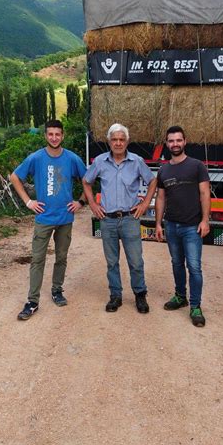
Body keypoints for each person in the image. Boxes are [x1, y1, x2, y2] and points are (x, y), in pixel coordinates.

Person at [10, 120, 87, 321]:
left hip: (65, 218)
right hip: (43, 218)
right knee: (37, 259)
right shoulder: (36, 158)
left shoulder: (72, 159)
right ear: (46, 135)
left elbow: (88, 180)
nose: (54, 138)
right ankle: (32, 301)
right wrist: (28, 202)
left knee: (61, 257)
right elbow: (14, 177)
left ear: (63, 135)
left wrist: (80, 202)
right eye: (50, 134)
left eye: (58, 134)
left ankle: (57, 290)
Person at [82, 123, 157, 313]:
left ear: (127, 141)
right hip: (107, 220)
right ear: (109, 141)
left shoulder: (137, 161)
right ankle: (115, 296)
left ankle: (140, 295)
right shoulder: (100, 162)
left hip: (130, 219)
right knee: (112, 262)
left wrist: (145, 203)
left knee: (136, 261)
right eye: (114, 139)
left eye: (121, 139)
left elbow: (153, 180)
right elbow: (86, 181)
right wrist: (92, 204)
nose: (118, 143)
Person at [155, 125, 210, 327]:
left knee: (194, 267)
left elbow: (205, 194)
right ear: (167, 143)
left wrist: (205, 220)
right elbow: (160, 198)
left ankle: (195, 306)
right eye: (171, 141)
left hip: (192, 226)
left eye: (178, 140)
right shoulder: (163, 169)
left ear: (185, 141)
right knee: (176, 263)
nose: (175, 144)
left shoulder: (197, 166)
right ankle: (180, 296)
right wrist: (159, 224)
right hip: (171, 225)